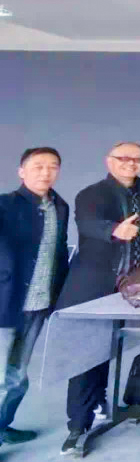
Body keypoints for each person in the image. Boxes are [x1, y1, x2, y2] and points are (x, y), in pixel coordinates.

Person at [61, 142, 140, 455]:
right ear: (109, 161)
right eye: (124, 158)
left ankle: (112, 402)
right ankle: (78, 426)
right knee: (88, 354)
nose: (131, 164)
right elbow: (87, 224)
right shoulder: (92, 194)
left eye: (137, 160)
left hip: (135, 286)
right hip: (95, 286)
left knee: (122, 345)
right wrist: (115, 230)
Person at [0, 148, 68, 446]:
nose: (45, 172)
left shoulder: (59, 206)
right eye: (38, 166)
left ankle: (2, 426)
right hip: (5, 303)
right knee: (2, 377)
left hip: (38, 305)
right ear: (21, 171)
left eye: (52, 167)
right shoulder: (4, 205)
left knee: (16, 376)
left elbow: (60, 252)